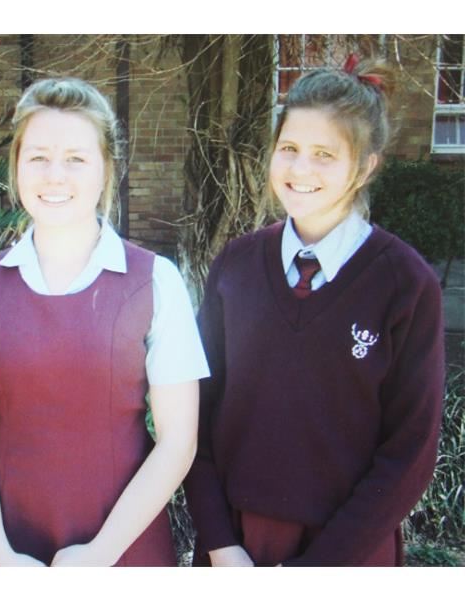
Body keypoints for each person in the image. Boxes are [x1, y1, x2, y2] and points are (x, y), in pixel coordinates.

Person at [185, 55, 444, 567]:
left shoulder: (405, 284)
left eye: (325, 154)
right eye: (289, 149)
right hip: (233, 550)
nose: (300, 169)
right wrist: (220, 543)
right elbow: (195, 416)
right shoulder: (235, 267)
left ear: (364, 167)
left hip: (348, 554)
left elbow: (410, 450)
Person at [0, 78, 208, 566]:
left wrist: (98, 557)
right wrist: (0, 557)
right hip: (11, 557)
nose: (55, 176)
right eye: (38, 157)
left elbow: (178, 440)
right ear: (16, 166)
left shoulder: (156, 282)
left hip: (125, 555)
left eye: (75, 159)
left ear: (106, 169)